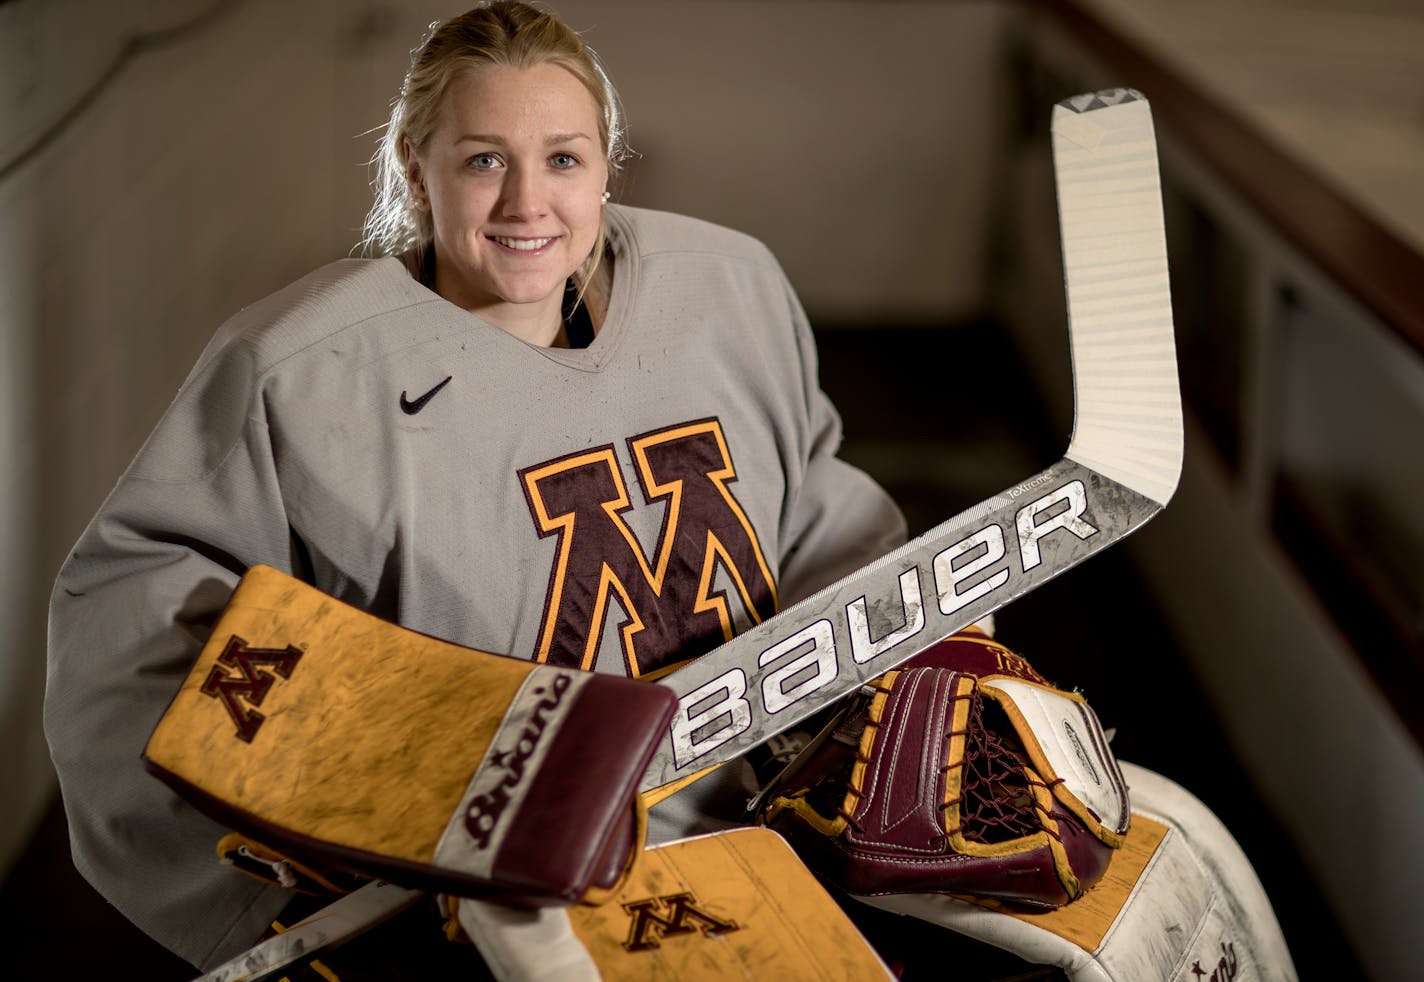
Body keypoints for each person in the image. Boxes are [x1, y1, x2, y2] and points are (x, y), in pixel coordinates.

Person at [44, 1, 906, 973]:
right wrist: (293, 892)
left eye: (564, 159)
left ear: (607, 165)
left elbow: (809, 508)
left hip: (749, 846)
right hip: (469, 914)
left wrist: (912, 646)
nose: (526, 204)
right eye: (483, 159)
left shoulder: (728, 288)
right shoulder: (301, 367)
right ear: (417, 168)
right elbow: (132, 637)